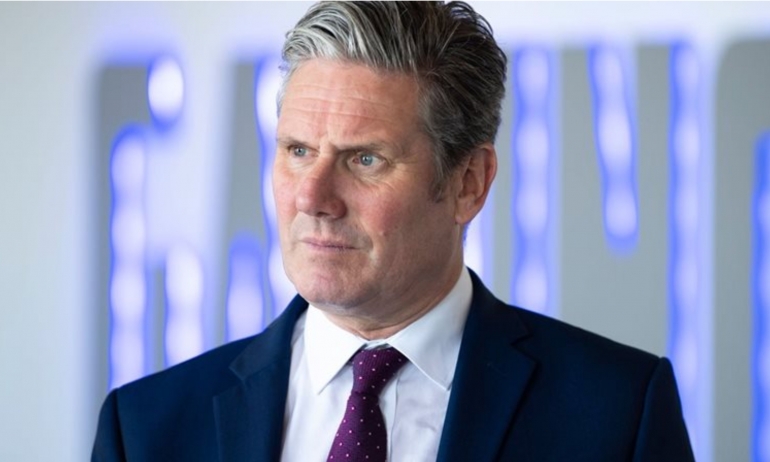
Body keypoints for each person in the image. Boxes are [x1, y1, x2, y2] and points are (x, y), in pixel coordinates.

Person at [92, 2, 695, 461]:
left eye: (365, 159)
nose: (312, 198)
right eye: (298, 150)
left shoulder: (618, 413)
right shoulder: (145, 427)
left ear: (468, 183)